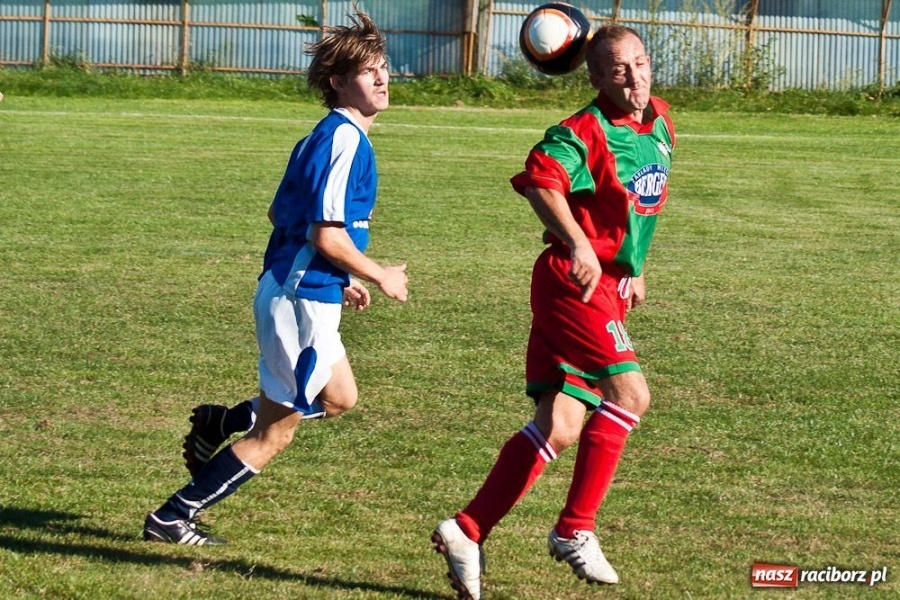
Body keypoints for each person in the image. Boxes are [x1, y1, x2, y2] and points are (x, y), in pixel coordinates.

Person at [143, 7, 408, 545]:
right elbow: (326, 235)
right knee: (274, 432)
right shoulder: (344, 140)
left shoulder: (325, 136)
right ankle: (172, 517)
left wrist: (342, 276)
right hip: (299, 299)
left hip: (303, 288)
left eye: (383, 67)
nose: (382, 79)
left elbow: (280, 215)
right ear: (338, 82)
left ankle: (221, 423)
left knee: (339, 397)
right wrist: (379, 274)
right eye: (367, 71)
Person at [431, 24, 675, 598]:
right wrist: (580, 243)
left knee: (560, 426)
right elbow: (540, 180)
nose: (635, 77)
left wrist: (634, 265)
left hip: (606, 285)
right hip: (574, 283)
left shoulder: (661, 121)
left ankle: (467, 530)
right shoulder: (580, 132)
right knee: (630, 396)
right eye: (619, 70)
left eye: (641, 63)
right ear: (596, 78)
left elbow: (635, 206)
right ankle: (574, 529)